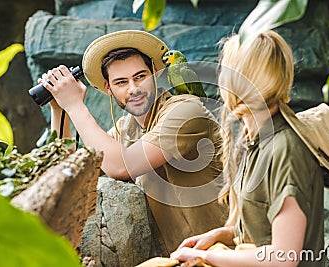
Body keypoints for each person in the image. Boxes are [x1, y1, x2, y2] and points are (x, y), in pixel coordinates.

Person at [170, 30, 329, 266]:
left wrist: (207, 257)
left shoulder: (286, 149)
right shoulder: (255, 141)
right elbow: (262, 230)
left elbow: (284, 257)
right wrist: (220, 235)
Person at [41, 30, 227, 254]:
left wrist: (75, 106)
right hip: (180, 258)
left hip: (224, 253)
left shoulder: (187, 111)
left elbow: (122, 166)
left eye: (140, 77)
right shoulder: (124, 129)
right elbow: (70, 176)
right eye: (121, 82)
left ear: (156, 74)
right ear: (108, 89)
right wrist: (59, 108)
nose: (133, 89)